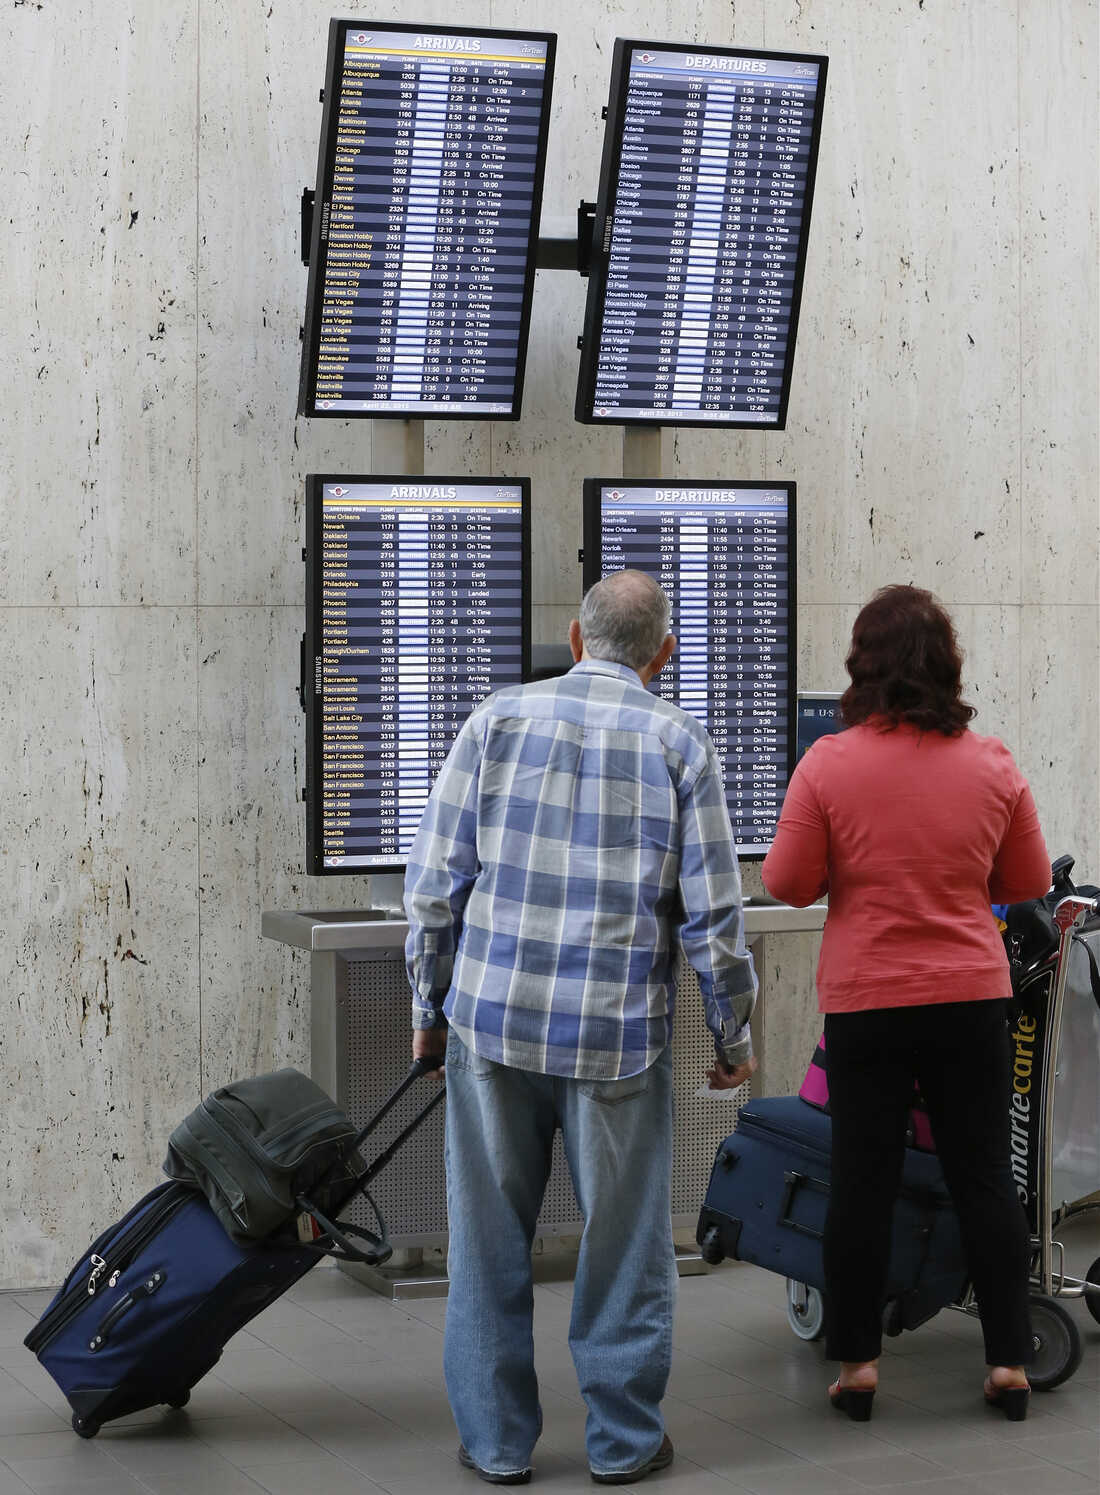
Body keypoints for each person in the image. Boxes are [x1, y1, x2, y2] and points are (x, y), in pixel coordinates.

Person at [404, 570, 758, 1485]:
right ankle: (624, 1443)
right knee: (624, 1247)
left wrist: (427, 1014)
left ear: (574, 637)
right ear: (663, 655)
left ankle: (495, 1444)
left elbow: (436, 886)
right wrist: (733, 1038)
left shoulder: (495, 721)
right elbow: (716, 920)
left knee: (485, 1243)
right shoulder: (679, 741)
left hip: (492, 1027)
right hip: (614, 1040)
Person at [762, 584, 1050, 1423]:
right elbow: (1027, 882)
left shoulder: (829, 763)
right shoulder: (992, 762)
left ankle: (857, 1366)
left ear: (864, 667)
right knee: (986, 1177)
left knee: (861, 1179)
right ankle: (1007, 1364)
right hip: (969, 997)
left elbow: (786, 883)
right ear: (946, 666)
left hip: (869, 1002)